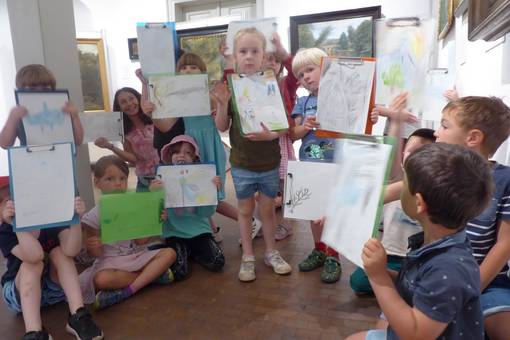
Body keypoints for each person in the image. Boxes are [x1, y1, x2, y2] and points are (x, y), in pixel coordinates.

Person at [382, 96, 510, 339]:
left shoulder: (505, 180)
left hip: (487, 280)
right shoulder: (434, 170)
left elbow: (504, 245)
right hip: (431, 272)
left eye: (444, 125)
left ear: (473, 137)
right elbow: (386, 193)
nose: (436, 132)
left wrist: (472, 287)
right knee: (391, 328)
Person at [347, 142, 493, 340]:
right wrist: (384, 271)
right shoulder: (441, 242)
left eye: (404, 185)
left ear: (419, 203)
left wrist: (379, 278)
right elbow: (418, 284)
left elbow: (416, 334)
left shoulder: (450, 269)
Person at [215, 27, 292, 282]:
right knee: (245, 210)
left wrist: (270, 135)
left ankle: (271, 252)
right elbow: (222, 126)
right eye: (243, 51)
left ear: (263, 55)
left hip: (269, 161)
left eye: (254, 51)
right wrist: (223, 105)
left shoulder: (272, 84)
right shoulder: (230, 85)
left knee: (268, 209)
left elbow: (283, 125)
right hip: (242, 163)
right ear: (235, 56)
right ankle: (248, 256)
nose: (248, 56)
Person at [0, 176, 103, 340]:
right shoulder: (6, 231)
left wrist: (76, 219)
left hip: (53, 291)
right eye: (1, 201)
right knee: (32, 265)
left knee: (61, 254)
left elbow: (72, 250)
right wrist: (15, 224)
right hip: (20, 293)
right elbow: (35, 256)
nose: (8, 204)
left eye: (11, 197)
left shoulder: (50, 219)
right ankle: (34, 331)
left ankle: (78, 315)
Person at [79, 155, 176, 310]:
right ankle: (152, 277)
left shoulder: (133, 205)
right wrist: (93, 245)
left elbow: (141, 242)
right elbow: (95, 253)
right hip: (111, 261)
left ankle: (129, 290)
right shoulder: (93, 216)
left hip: (136, 255)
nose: (117, 183)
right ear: (97, 183)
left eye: (122, 178)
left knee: (170, 253)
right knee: (101, 280)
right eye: (110, 179)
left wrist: (156, 220)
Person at [349, 128, 436, 295]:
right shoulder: (397, 180)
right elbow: (368, 198)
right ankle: (403, 281)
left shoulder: (433, 189)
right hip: (390, 254)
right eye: (410, 151)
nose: (414, 157)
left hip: (417, 257)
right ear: (403, 155)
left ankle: (405, 282)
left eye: (423, 153)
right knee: (358, 282)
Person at [290, 47, 341, 283]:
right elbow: (293, 134)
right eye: (300, 75)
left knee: (331, 212)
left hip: (337, 162)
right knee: (313, 211)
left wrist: (370, 116)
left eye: (310, 70)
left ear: (325, 67)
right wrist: (306, 126)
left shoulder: (342, 96)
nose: (306, 77)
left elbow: (358, 124)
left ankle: (333, 255)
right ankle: (319, 249)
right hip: (310, 162)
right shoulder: (302, 101)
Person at [149, 135, 225, 280]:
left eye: (188, 153)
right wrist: (153, 195)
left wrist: (211, 191)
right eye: (176, 152)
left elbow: (207, 212)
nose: (181, 156)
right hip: (174, 233)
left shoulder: (202, 178)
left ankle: (192, 252)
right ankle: (177, 251)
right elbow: (157, 215)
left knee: (218, 262)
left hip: (200, 231)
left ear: (195, 158)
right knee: (179, 272)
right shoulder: (163, 178)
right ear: (170, 156)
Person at [0, 64, 84, 149]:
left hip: (62, 156)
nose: (39, 92)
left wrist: (75, 116)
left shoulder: (63, 107)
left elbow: (78, 140)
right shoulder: (19, 112)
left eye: (45, 88)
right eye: (32, 88)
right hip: (31, 158)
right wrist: (12, 118)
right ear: (21, 89)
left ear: (52, 88)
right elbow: (4, 144)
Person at [95, 87, 160, 192]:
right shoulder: (123, 130)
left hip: (165, 175)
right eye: (123, 102)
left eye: (131, 98)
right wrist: (110, 147)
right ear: (119, 107)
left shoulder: (154, 118)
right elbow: (133, 159)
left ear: (138, 99)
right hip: (145, 180)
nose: (129, 103)